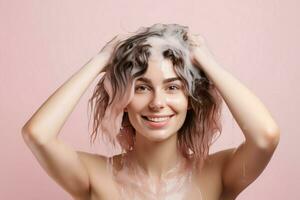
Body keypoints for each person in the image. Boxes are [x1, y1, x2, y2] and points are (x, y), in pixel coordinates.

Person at [22, 24, 280, 200]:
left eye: (172, 87)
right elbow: (38, 135)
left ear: (190, 99)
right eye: (142, 87)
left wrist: (207, 62)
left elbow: (265, 136)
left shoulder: (218, 173)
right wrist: (101, 60)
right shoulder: (95, 175)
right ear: (123, 98)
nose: (157, 102)